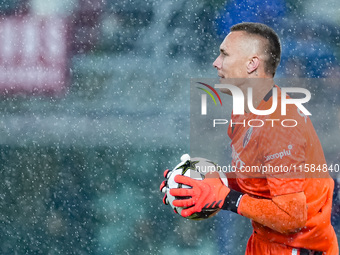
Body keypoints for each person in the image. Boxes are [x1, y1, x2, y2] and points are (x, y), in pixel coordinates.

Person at [160, 22, 339, 254]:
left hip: (296, 248)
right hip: (266, 244)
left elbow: (292, 216)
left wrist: (225, 198)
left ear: (252, 64)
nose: (216, 62)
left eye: (224, 54)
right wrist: (204, 183)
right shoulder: (245, 110)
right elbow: (258, 183)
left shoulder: (278, 125)